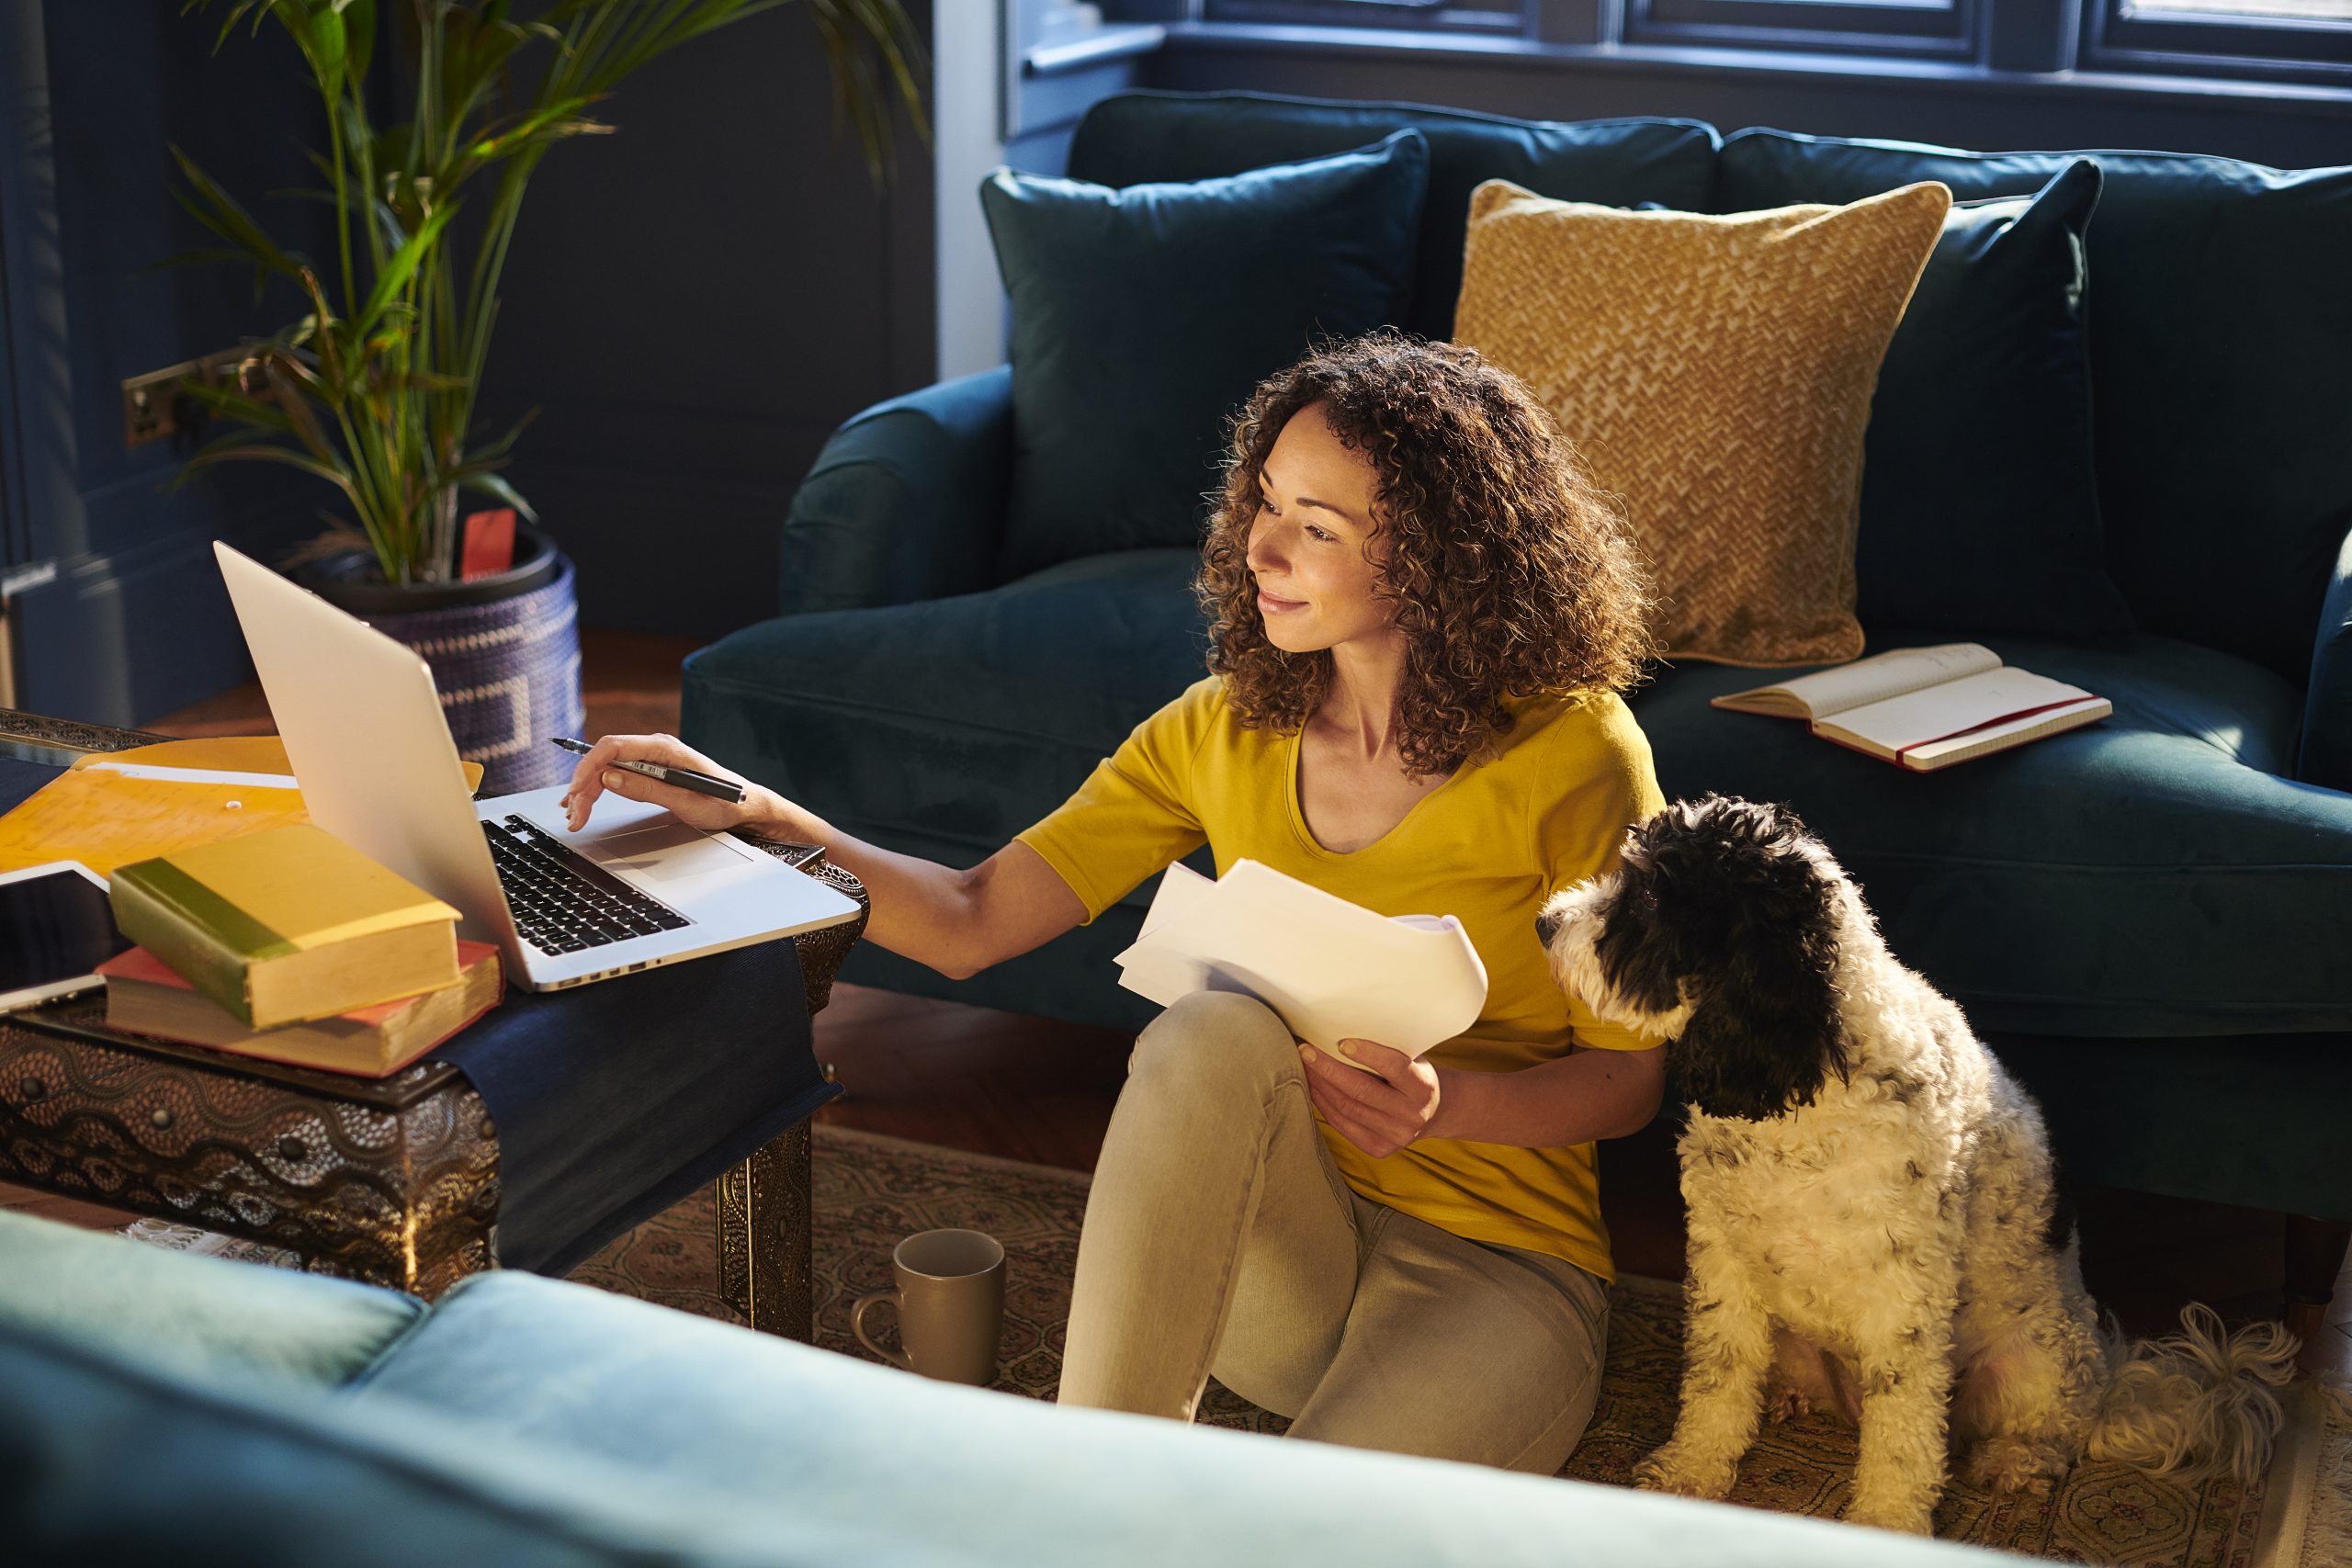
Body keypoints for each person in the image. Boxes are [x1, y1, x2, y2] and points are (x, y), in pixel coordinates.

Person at [560, 331, 1668, 1474]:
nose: (1261, 546)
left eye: (1316, 529)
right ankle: (1085, 1487)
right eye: (1266, 502)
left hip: (1496, 1260)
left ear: (1436, 561)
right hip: (1273, 1251)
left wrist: (1445, 1110)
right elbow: (970, 916)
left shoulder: (1575, 755)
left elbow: (1628, 1080)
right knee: (1210, 1030)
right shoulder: (1220, 728)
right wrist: (754, 816)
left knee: (1311, 1534)